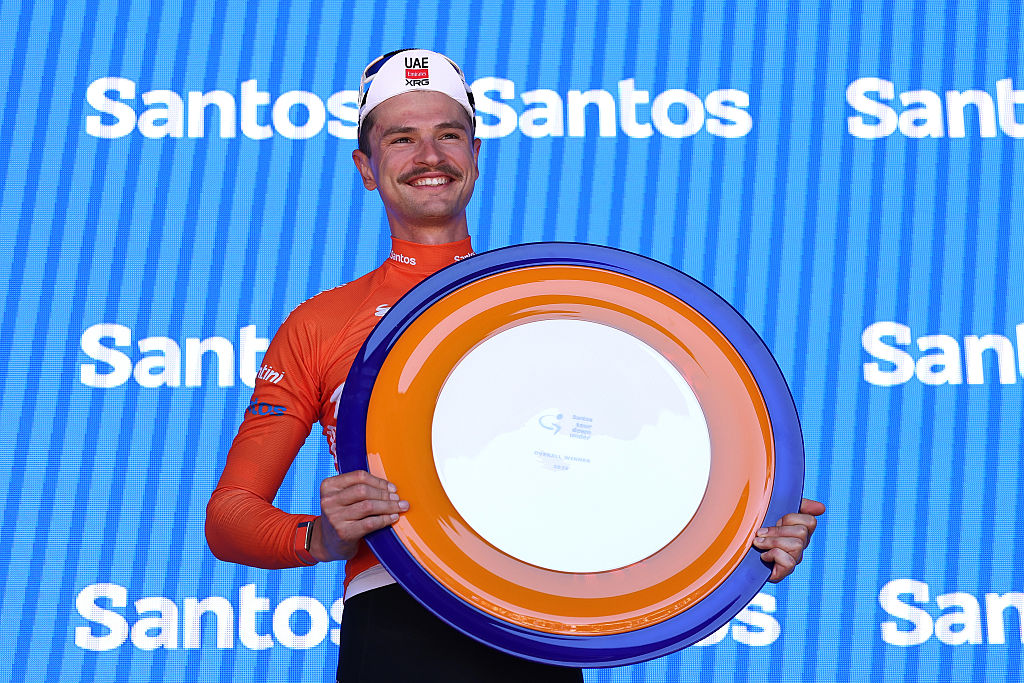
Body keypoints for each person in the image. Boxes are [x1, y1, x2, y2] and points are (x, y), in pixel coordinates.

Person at [206, 48, 826, 682]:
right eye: (402, 138)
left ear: (476, 158)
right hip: (393, 621)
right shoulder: (322, 323)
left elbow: (644, 464)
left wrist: (748, 538)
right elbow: (229, 518)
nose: (429, 156)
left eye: (449, 135)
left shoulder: (555, 306)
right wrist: (320, 537)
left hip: (539, 630)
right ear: (366, 167)